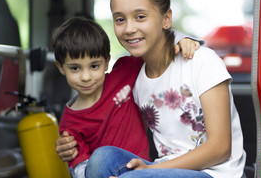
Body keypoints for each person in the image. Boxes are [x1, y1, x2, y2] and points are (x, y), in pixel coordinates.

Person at [57, 0, 246, 178]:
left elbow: (220, 148)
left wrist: (150, 170)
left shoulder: (201, 61)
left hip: (214, 173)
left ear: (166, 19)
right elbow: (100, 115)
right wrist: (72, 145)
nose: (129, 28)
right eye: (120, 19)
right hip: (162, 169)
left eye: (140, 17)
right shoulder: (134, 76)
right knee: (102, 158)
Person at [53, 17, 201, 177]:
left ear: (107, 61)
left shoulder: (123, 72)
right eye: (75, 68)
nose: (86, 76)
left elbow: (155, 47)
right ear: (60, 67)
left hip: (142, 169)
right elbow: (80, 168)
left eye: (94, 66)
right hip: (107, 172)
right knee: (100, 158)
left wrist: (179, 40)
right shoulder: (70, 122)